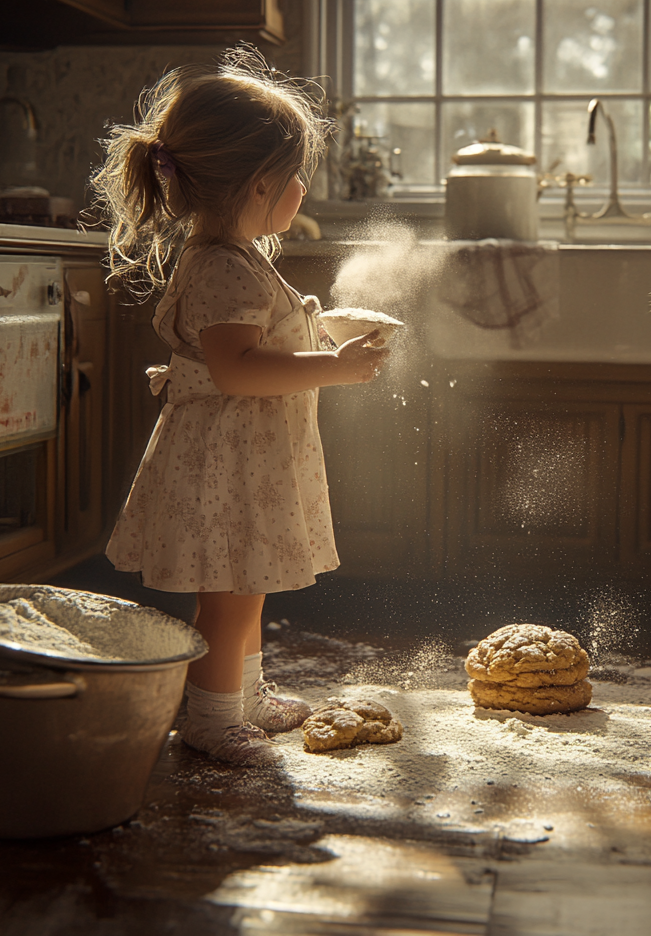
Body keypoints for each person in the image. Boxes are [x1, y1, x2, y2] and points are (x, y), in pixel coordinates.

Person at [92, 47, 389, 766]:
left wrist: (318, 338)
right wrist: (337, 368)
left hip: (243, 462)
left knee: (246, 587)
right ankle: (211, 715)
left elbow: (250, 350)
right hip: (226, 463)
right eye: (296, 182)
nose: (302, 196)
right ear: (259, 186)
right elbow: (236, 370)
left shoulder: (235, 258)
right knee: (226, 598)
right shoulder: (224, 267)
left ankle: (242, 695)